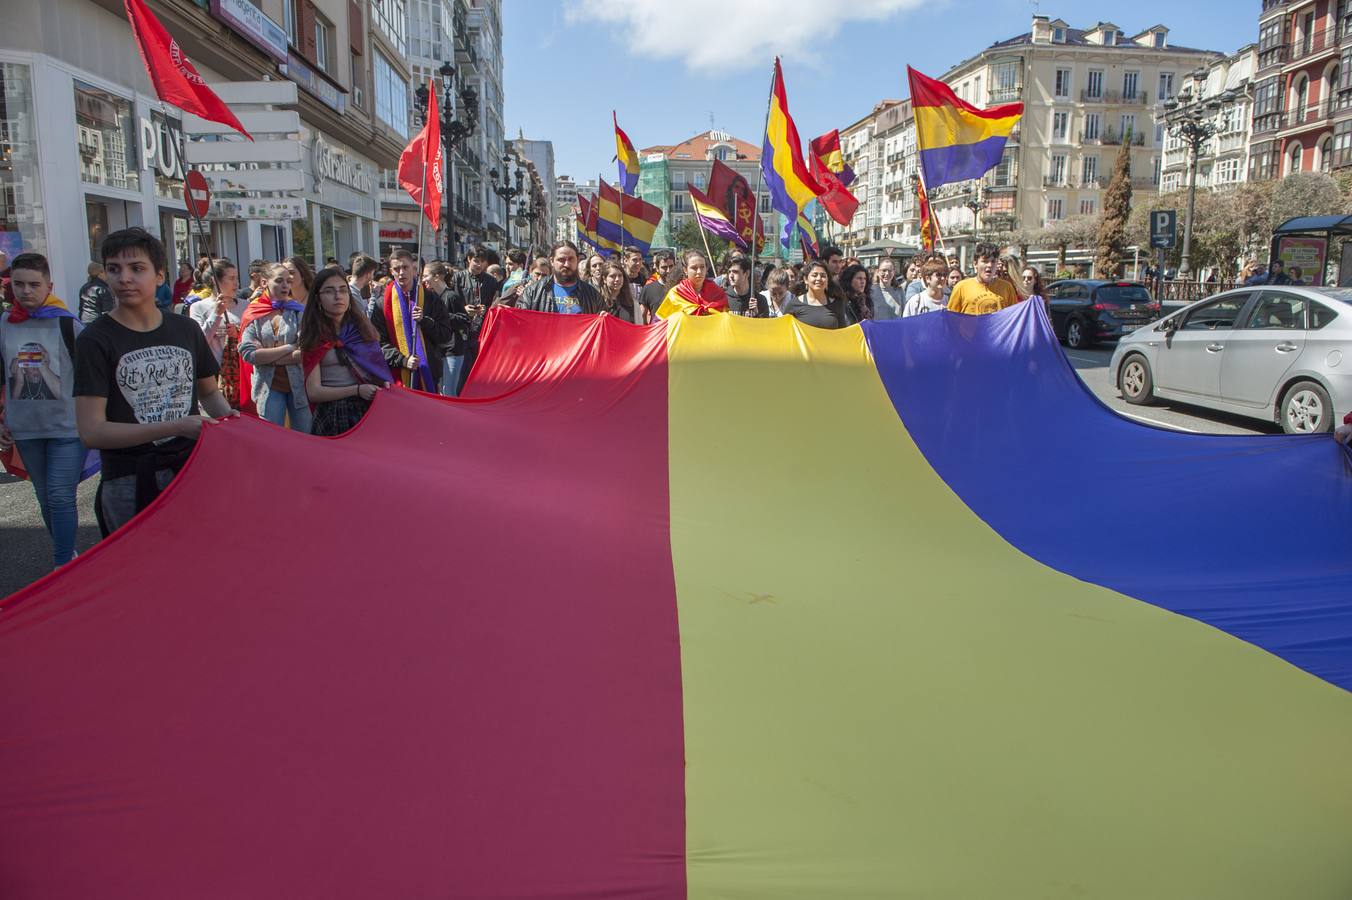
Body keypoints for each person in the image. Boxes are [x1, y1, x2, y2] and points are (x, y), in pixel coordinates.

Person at [74, 228, 232, 534]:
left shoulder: (185, 329)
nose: (124, 278)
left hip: (191, 469)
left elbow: (210, 394)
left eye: (137, 268)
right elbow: (92, 431)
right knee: (136, 574)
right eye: (114, 269)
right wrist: (177, 425)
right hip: (128, 480)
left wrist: (233, 425)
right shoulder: (94, 339)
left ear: (160, 275)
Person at [0, 253, 85, 565]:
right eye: (19, 284)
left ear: (49, 285)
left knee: (61, 495)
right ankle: (67, 553)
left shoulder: (67, 324)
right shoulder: (5, 324)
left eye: (34, 284)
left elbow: (91, 375)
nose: (26, 291)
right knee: (44, 497)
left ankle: (63, 561)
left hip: (67, 428)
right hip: (25, 428)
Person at [299, 266, 391, 436]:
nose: (338, 296)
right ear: (318, 298)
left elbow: (377, 370)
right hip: (333, 414)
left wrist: (382, 383)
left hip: (369, 409)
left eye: (343, 290)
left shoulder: (362, 330)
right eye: (329, 291)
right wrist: (356, 390)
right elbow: (313, 392)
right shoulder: (314, 336)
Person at [239, 262, 311, 432]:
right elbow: (249, 353)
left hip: (299, 386)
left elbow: (306, 351)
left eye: (288, 280)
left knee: (305, 438)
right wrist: (289, 348)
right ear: (264, 283)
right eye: (279, 281)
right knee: (272, 437)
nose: (285, 285)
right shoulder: (254, 313)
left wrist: (268, 357)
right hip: (268, 387)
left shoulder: (298, 311)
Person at [370, 249, 454, 392]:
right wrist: (403, 360)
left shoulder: (431, 299)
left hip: (429, 376)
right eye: (397, 269)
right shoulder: (381, 304)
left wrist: (425, 321)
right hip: (397, 377)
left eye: (405, 267)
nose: (401, 272)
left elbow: (445, 335)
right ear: (391, 271)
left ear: (413, 269)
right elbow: (377, 343)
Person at [189, 258, 248, 409]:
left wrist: (239, 334)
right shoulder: (198, 307)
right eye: (232, 278)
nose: (237, 283)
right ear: (215, 281)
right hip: (213, 377)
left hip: (242, 375)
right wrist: (216, 314)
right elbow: (199, 342)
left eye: (237, 278)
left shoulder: (245, 306)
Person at [422, 261, 472, 396]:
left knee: (449, 392)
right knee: (443, 392)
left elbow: (465, 320)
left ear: (436, 277)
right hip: (440, 351)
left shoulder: (451, 296)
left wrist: (443, 316)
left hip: (453, 351)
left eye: (426, 276)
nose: (423, 280)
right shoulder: (433, 297)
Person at [517, 241, 605, 314]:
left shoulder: (592, 295)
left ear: (577, 260)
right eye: (561, 260)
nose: (567, 264)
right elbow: (520, 322)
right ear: (552, 261)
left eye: (571, 259)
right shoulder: (532, 292)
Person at [947, 242, 1020, 315]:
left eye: (993, 261)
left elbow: (1013, 317)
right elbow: (951, 318)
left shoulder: (1007, 287)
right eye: (985, 261)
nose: (989, 265)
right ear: (975, 264)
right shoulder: (961, 287)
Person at [656, 249, 728, 317]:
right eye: (694, 268)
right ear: (685, 270)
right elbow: (662, 322)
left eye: (702, 267)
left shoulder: (717, 293)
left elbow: (726, 320)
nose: (699, 271)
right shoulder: (676, 294)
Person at [783, 260, 850, 329]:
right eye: (814, 275)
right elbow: (784, 332)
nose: (819, 278)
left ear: (827, 280)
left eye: (823, 276)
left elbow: (842, 333)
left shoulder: (837, 304)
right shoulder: (794, 304)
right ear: (806, 279)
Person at [639, 250, 677, 317]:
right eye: (664, 267)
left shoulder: (682, 287)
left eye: (671, 266)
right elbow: (642, 316)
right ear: (657, 268)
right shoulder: (648, 289)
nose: (668, 271)